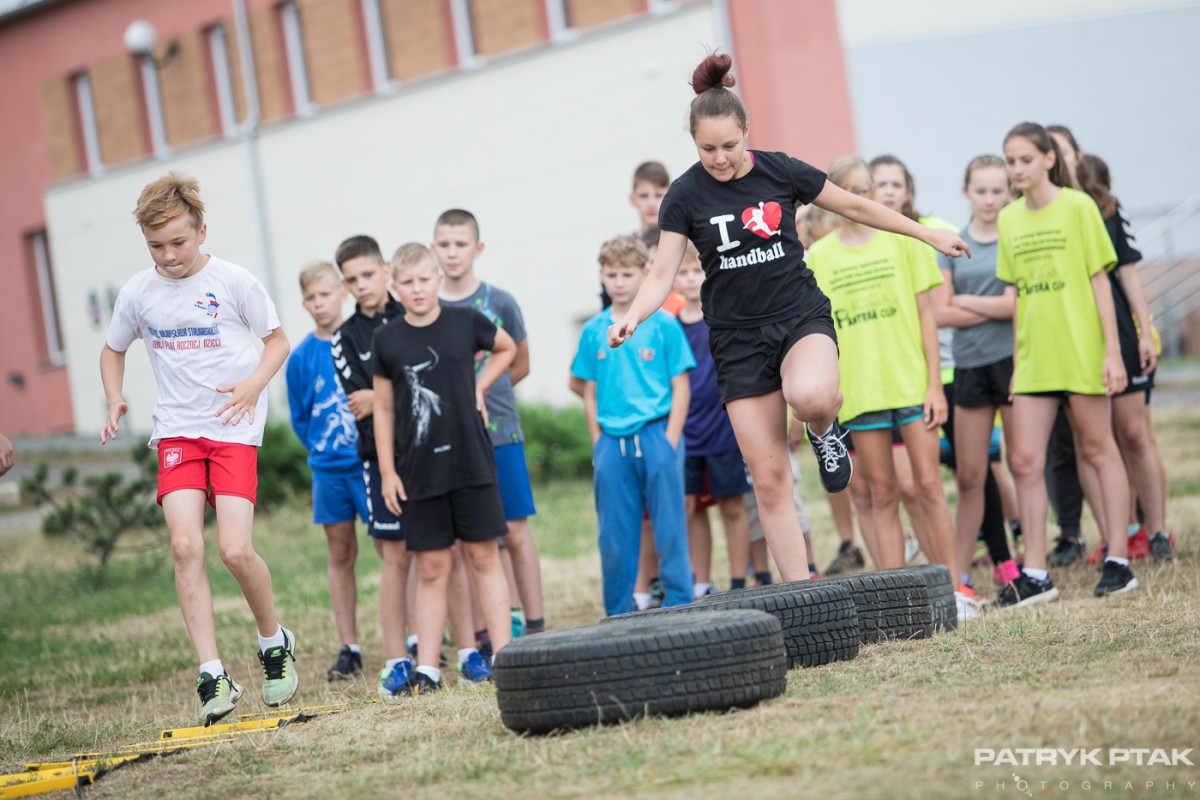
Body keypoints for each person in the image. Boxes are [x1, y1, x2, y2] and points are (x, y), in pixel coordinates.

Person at [608, 54, 970, 583]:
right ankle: (802, 595)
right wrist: (634, 316)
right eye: (707, 149)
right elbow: (662, 272)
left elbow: (855, 207)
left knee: (813, 397)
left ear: (746, 131)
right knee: (769, 480)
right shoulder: (684, 195)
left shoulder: (780, 170)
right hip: (736, 339)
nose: (720, 159)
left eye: (729, 146)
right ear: (694, 143)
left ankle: (826, 431)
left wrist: (927, 234)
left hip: (798, 317)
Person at [99, 172, 297, 725]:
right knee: (185, 547)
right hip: (177, 431)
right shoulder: (138, 293)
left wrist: (253, 386)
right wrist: (114, 397)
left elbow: (277, 340)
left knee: (235, 551)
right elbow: (112, 349)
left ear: (202, 232)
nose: (168, 256)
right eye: (156, 246)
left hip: (232, 427)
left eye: (178, 243)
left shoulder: (234, 282)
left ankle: (273, 641)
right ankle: (212, 673)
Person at [806, 156, 976, 619]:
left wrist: (934, 385)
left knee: (928, 486)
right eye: (851, 191)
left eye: (866, 190)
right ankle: (895, 604)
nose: (861, 199)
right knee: (882, 494)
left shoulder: (904, 239)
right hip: (860, 393)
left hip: (911, 385)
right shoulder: (819, 257)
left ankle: (955, 590)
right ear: (832, 198)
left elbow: (927, 317)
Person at [995, 122, 1136, 607]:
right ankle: (1036, 573)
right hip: (1035, 358)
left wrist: (1113, 352)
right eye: (1010, 161)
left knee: (1098, 450)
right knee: (1023, 460)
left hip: (1081, 350)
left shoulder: (1078, 207)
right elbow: (1018, 295)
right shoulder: (1009, 219)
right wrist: (1018, 361)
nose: (1017, 169)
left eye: (1025, 160)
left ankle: (1118, 560)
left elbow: (1100, 282)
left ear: (1049, 159)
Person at [372, 243, 517, 693]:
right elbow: (383, 410)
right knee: (432, 568)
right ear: (394, 287)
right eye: (407, 282)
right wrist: (388, 472)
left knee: (483, 557)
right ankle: (429, 670)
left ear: (438, 280)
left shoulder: (466, 320)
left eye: (424, 280)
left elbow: (507, 347)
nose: (417, 289)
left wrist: (480, 385)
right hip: (419, 469)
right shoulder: (386, 339)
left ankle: (505, 657)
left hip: (472, 460)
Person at [433, 208, 548, 642]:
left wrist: (481, 395)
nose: (452, 253)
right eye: (445, 245)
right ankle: (483, 632)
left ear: (477, 248)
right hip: (449, 440)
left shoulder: (501, 302)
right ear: (433, 249)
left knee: (515, 531)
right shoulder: (428, 304)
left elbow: (520, 363)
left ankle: (535, 625)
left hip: (501, 432)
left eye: (461, 244)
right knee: (470, 539)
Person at [572, 235, 695, 615]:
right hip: (612, 441)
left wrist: (670, 440)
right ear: (602, 276)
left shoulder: (664, 325)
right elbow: (586, 390)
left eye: (627, 274)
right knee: (614, 532)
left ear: (644, 273)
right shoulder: (593, 329)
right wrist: (598, 442)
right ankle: (619, 611)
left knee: (669, 526)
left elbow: (681, 386)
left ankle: (680, 601)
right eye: (612, 275)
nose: (620, 282)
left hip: (657, 435)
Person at [930, 155, 1022, 595]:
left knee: (1022, 465)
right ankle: (960, 576)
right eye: (981, 191)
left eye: (997, 191)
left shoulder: (1015, 241)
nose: (989, 199)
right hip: (968, 367)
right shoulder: (952, 245)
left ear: (1009, 192)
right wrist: (996, 307)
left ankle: (1027, 564)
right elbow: (941, 313)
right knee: (970, 475)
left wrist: (967, 302)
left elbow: (1016, 306)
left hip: (1012, 362)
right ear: (967, 191)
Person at [1077, 151, 1174, 561]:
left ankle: (1158, 531)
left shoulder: (1106, 210)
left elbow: (1128, 272)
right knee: (1095, 442)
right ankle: (1121, 533)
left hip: (1120, 333)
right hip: (1076, 342)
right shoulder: (1040, 213)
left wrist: (1143, 330)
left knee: (1133, 433)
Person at [330, 235, 414, 698]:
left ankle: (433, 641)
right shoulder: (344, 338)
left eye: (368, 274)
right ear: (345, 285)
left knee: (439, 551)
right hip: (378, 457)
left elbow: (404, 388)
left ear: (385, 271)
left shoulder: (413, 313)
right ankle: (398, 655)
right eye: (352, 279)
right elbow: (361, 402)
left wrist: (382, 395)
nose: (362, 285)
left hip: (426, 449)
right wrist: (394, 392)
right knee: (394, 555)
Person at [286, 260, 371, 681]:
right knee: (340, 553)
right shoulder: (301, 358)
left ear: (343, 292)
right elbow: (301, 419)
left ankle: (414, 638)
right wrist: (324, 450)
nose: (320, 303)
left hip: (369, 463)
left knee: (397, 549)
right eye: (311, 298)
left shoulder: (363, 338)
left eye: (326, 294)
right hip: (328, 471)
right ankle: (349, 646)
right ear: (304, 303)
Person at [675, 241, 753, 596]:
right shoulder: (670, 327)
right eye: (683, 272)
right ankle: (702, 582)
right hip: (686, 429)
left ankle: (738, 581)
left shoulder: (722, 317)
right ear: (673, 280)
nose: (691, 278)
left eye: (697, 270)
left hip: (723, 427)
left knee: (732, 504)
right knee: (691, 507)